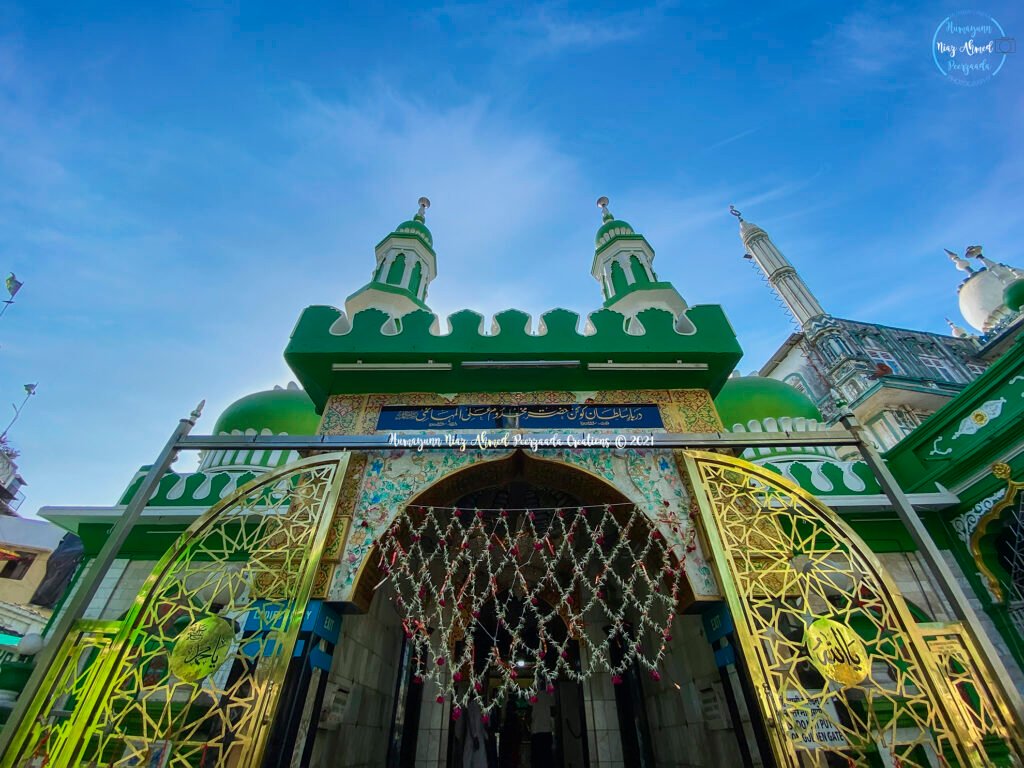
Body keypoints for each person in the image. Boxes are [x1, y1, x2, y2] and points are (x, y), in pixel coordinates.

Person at [530, 691, 554, 767]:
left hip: (536, 730)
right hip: (547, 730)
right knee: (547, 758)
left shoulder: (534, 695)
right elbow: (553, 712)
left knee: (537, 759)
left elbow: (529, 709)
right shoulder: (549, 695)